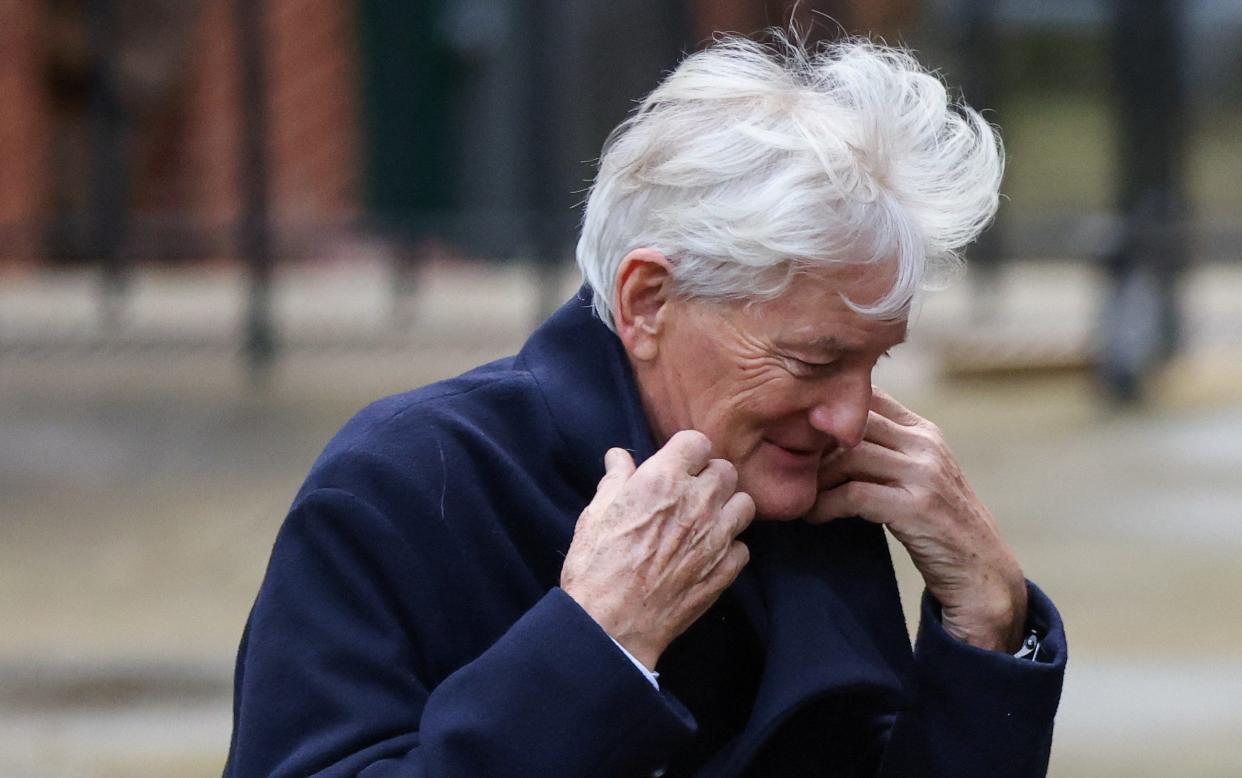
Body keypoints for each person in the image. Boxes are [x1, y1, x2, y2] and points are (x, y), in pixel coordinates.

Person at [226, 33, 1066, 777]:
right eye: (814, 360)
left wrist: (988, 629)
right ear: (649, 302)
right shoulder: (404, 483)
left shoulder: (813, 482)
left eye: (873, 363)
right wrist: (597, 646)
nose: (849, 417)